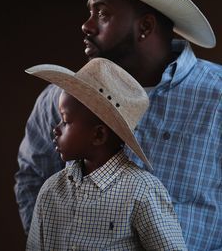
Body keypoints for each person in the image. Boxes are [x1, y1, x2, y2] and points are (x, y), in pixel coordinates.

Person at [15, 0, 222, 250]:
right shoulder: (60, 97)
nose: (86, 25)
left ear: (146, 26)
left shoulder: (217, 98)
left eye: (103, 13)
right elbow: (32, 177)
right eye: (90, 11)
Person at [25, 58, 187, 250]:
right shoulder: (51, 191)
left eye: (66, 121)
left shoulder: (142, 192)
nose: (56, 129)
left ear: (99, 134)